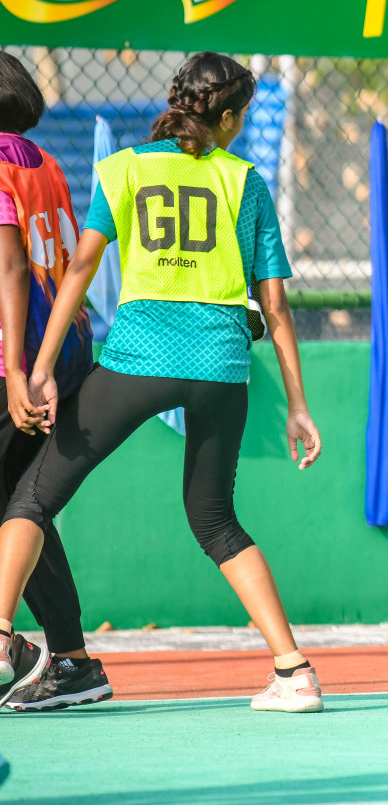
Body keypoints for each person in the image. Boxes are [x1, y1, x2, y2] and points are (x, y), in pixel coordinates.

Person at [0, 52, 325, 712]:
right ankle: (295, 672)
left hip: (138, 361)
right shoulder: (246, 181)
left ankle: (2, 633)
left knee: (30, 500)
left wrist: (36, 367)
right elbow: (279, 307)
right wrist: (297, 405)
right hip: (221, 369)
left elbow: (80, 271)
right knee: (216, 521)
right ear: (228, 118)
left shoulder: (124, 169)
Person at [0, 52, 111, 710]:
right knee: (23, 504)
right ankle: (71, 660)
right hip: (64, 354)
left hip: (17, 364)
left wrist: (17, 371)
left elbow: (12, 270)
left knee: (21, 503)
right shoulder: (40, 164)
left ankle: (19, 647)